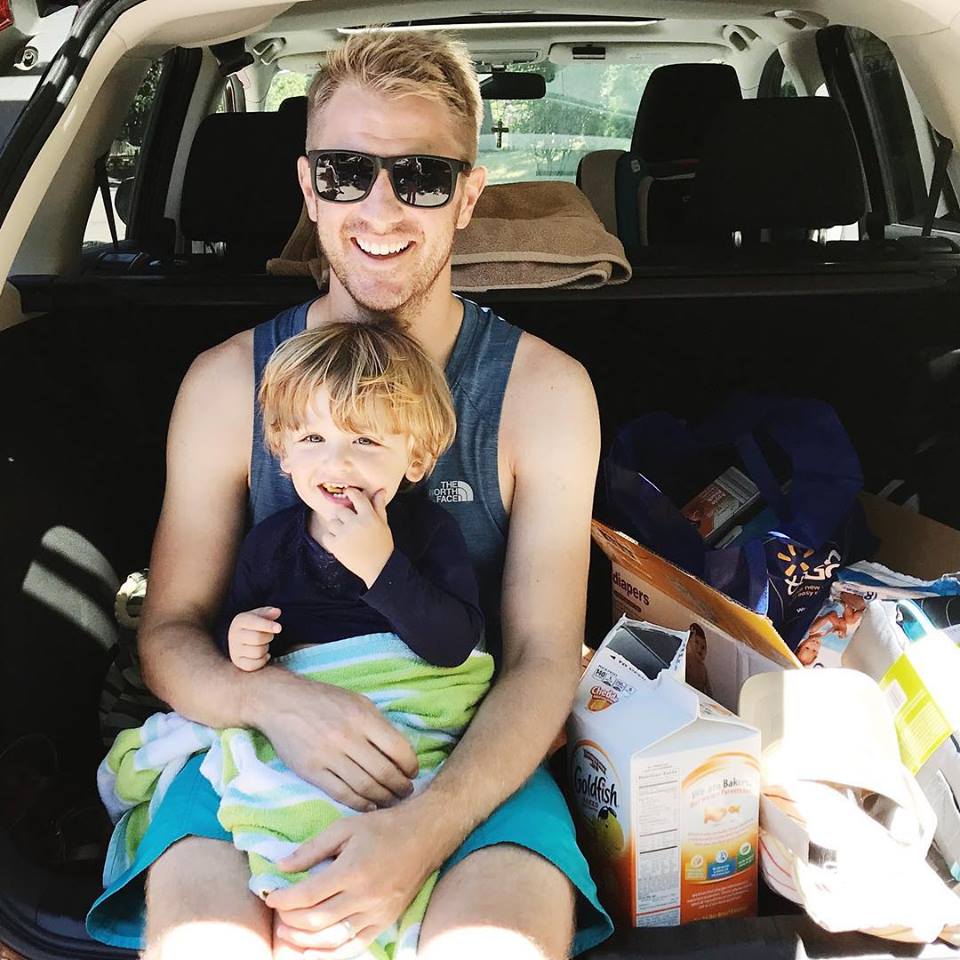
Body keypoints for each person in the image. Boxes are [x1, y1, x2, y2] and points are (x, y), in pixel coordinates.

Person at [86, 27, 611, 960]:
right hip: (254, 743)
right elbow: (169, 633)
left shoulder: (544, 393)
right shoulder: (225, 384)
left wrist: (426, 828)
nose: (380, 208)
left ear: (469, 196)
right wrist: (274, 704)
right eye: (345, 173)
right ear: (308, 187)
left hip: (469, 754)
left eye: (422, 177)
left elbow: (541, 657)